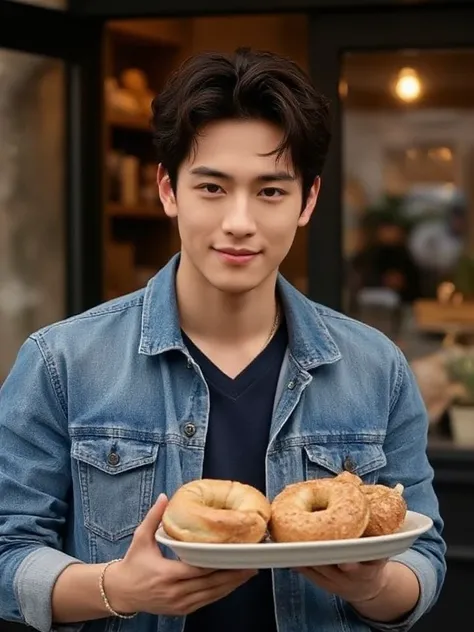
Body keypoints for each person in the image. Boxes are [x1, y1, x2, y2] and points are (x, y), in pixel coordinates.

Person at [0, 47, 446, 632]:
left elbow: (425, 555)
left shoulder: (376, 367)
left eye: (270, 191)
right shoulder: (62, 363)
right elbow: (8, 550)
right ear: (168, 190)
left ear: (308, 201)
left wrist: (376, 584)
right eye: (212, 188)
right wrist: (118, 588)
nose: (240, 221)